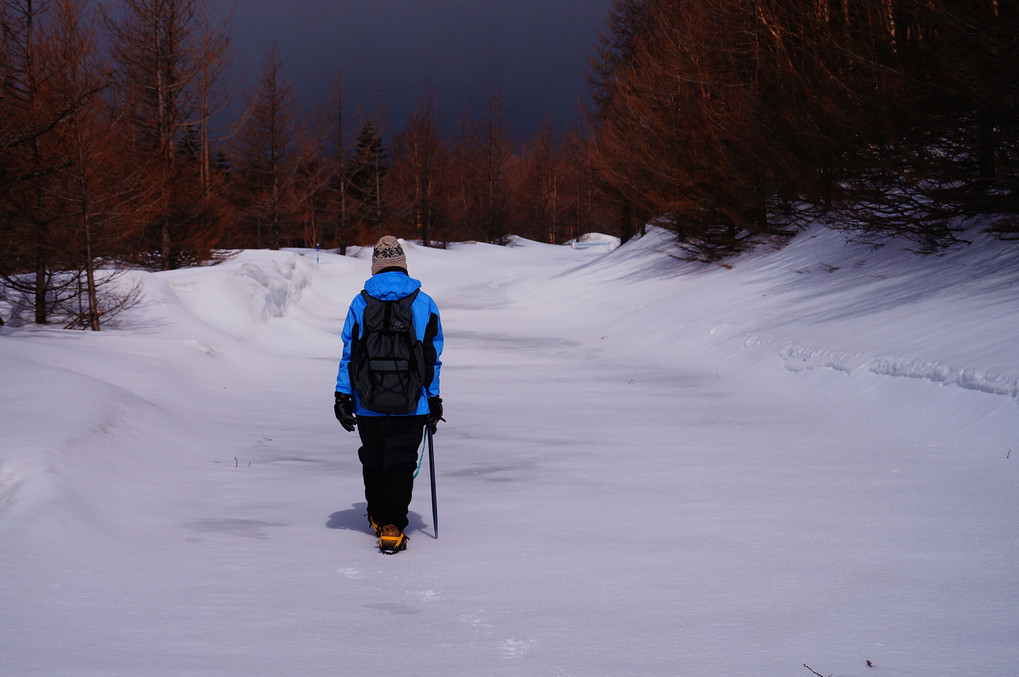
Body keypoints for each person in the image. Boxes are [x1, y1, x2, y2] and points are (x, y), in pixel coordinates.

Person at [334, 236, 444, 553]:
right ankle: (393, 525)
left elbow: (349, 353)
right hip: (413, 402)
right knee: (401, 462)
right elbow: (431, 357)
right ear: (403, 265)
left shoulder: (360, 302)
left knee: (374, 458)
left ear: (375, 267)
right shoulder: (424, 303)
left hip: (367, 400)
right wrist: (433, 398)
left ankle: (378, 515)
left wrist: (343, 394)